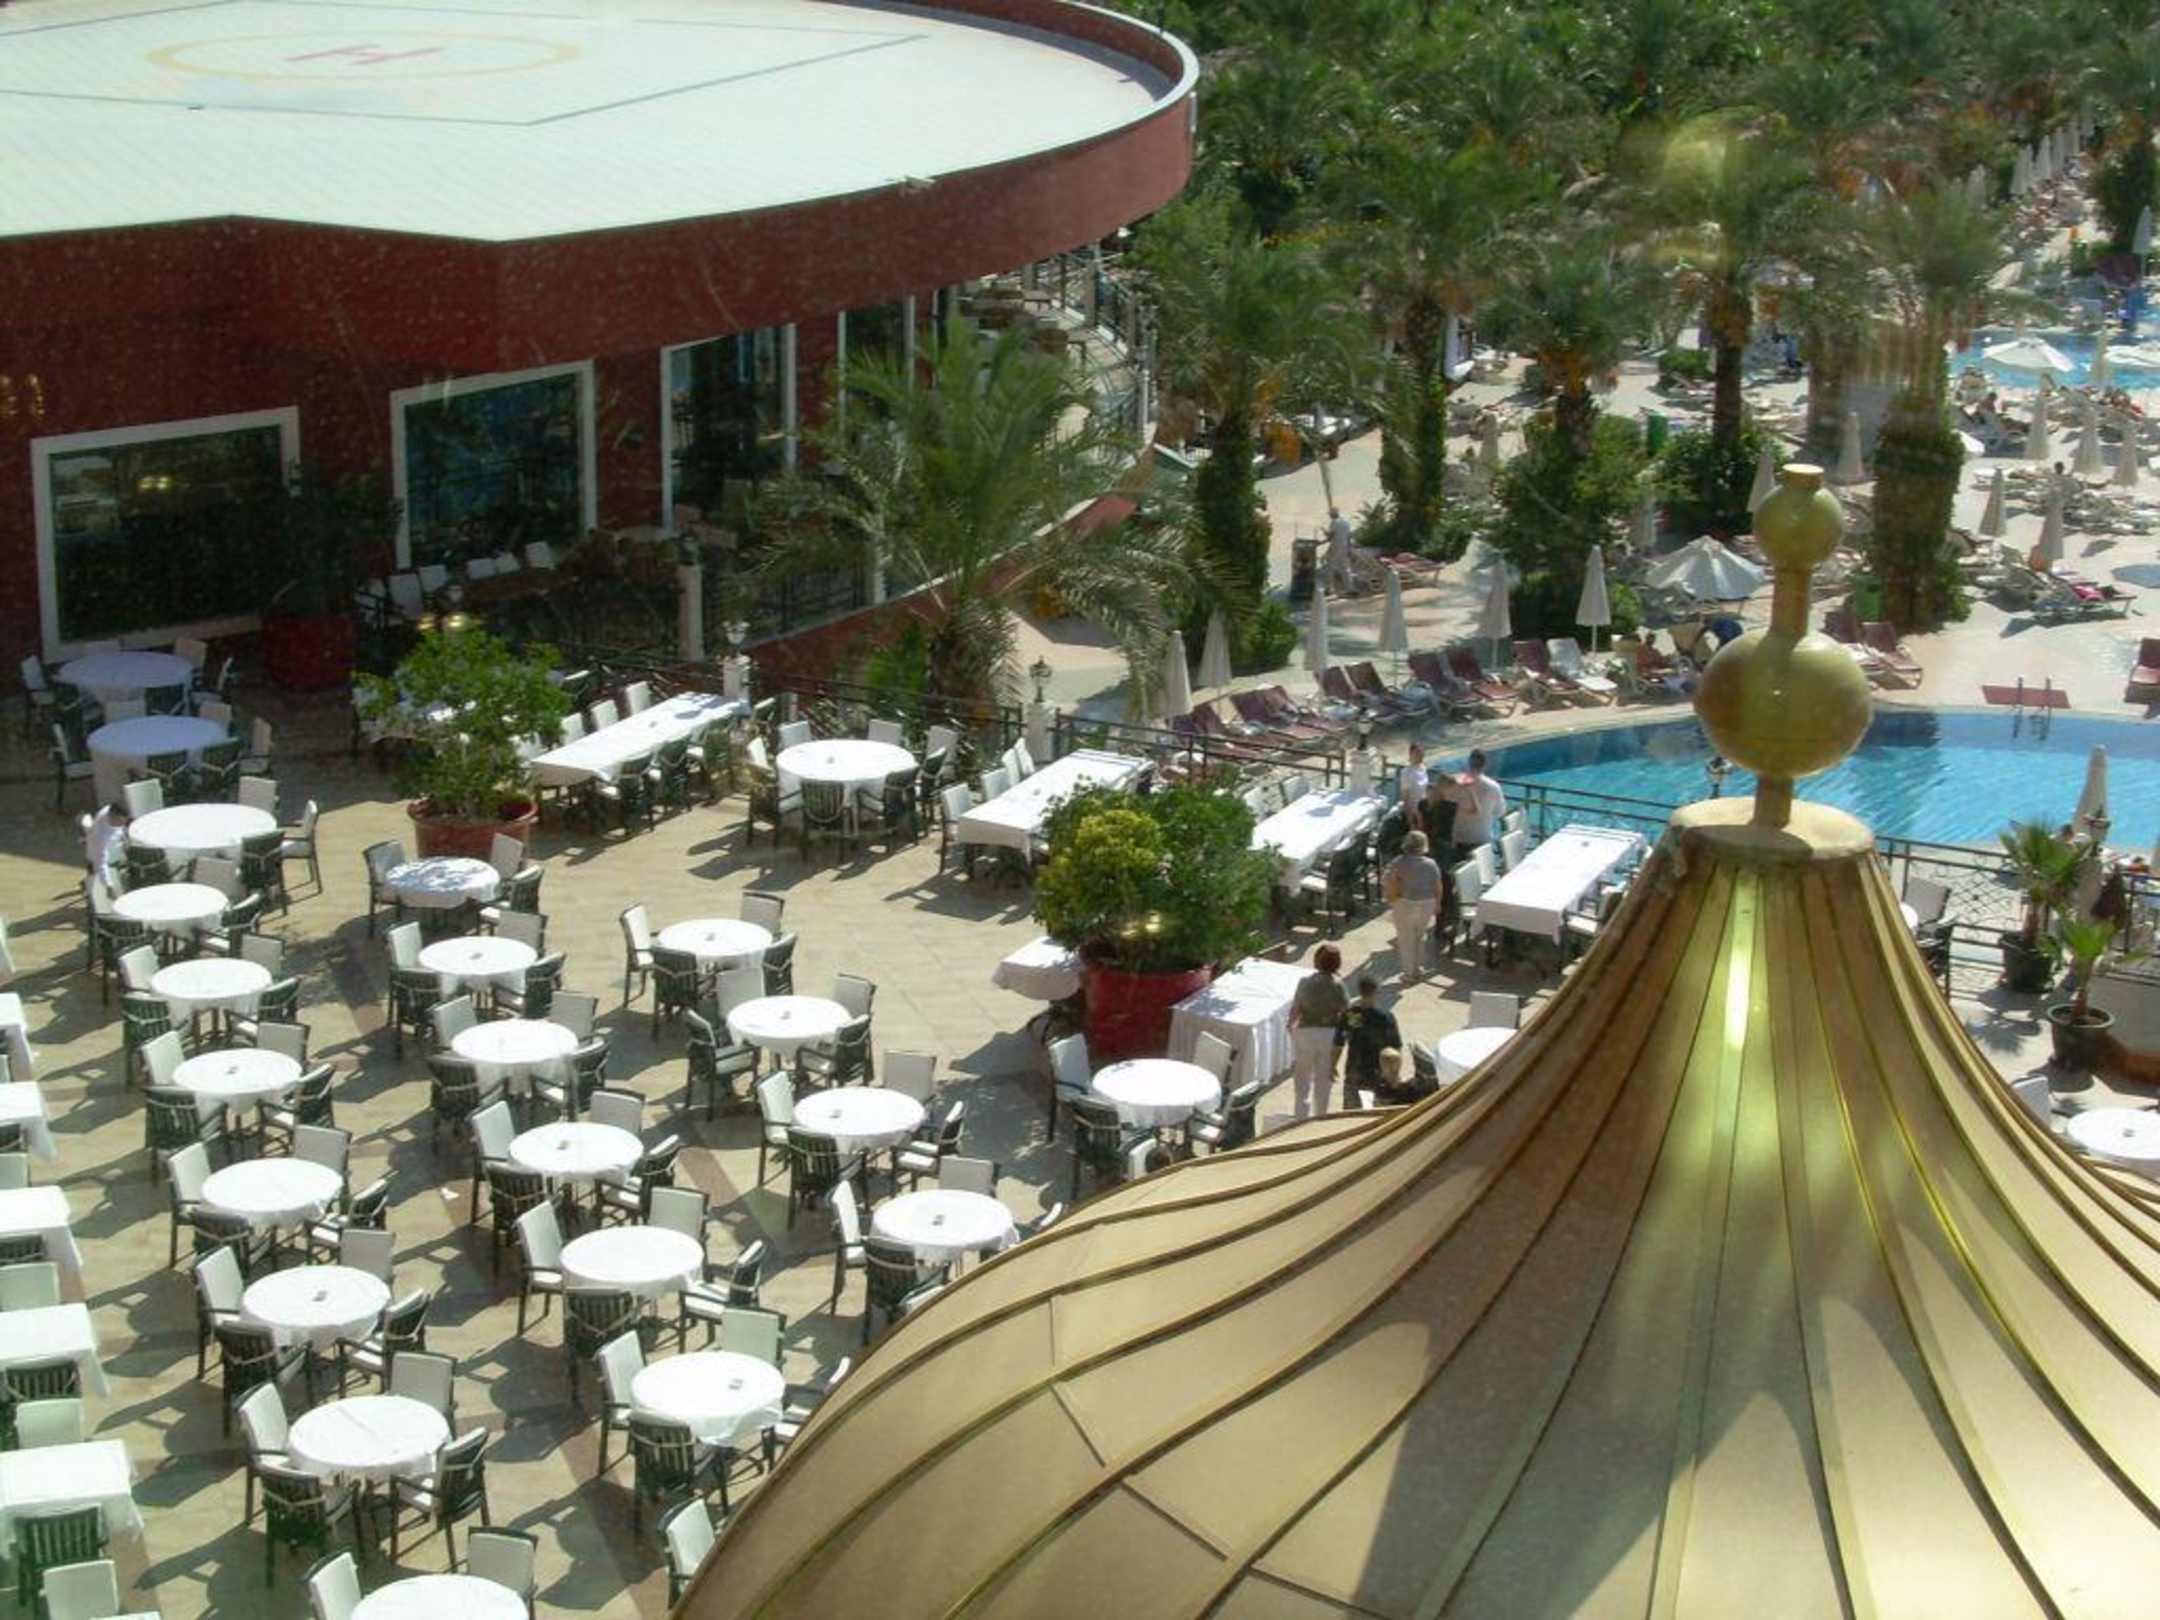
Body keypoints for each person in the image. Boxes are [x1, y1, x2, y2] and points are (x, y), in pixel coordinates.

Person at [1288, 943, 1349, 1119]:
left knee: (1302, 1078)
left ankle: (1300, 1117)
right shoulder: (1338, 985)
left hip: (1306, 1032)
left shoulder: (1305, 982)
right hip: (1329, 1034)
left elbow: (1296, 1009)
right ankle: (1320, 1117)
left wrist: (1291, 1028)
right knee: (1324, 1079)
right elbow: (1346, 1011)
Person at [1382, 830, 1444, 981]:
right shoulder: (1431, 864)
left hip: (1405, 903)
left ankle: (1409, 973)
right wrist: (1438, 903)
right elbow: (1438, 886)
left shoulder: (1398, 863)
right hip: (1427, 903)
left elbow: (1388, 881)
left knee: (1405, 939)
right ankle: (1418, 967)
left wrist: (1391, 899)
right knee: (1419, 936)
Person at [1340, 977, 1403, 1104]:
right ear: (1376, 992)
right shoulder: (1386, 1017)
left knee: (1352, 1108)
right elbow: (1396, 1047)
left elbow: (1339, 1041)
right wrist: (1395, 1073)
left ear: (1360, 991)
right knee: (1380, 1108)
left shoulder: (1352, 1014)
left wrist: (1332, 1064)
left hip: (1355, 1068)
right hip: (1380, 1070)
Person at [1454, 750, 1506, 852]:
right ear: (1485, 765)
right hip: (1482, 839)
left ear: (1469, 763)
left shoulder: (1456, 783)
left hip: (1460, 838)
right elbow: (1500, 812)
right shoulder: (1493, 787)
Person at [1397, 742, 1428, 835]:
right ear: (1411, 754)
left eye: (1422, 753)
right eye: (1418, 753)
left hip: (1423, 810)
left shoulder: (1423, 768)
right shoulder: (1406, 772)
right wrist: (1410, 821)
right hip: (1413, 813)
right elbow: (1405, 797)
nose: (1421, 756)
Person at [1326, 506, 1354, 592]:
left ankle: (1330, 588)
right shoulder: (1346, 522)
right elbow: (1349, 536)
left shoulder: (1334, 522)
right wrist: (1349, 548)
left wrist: (1324, 532)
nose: (1329, 516)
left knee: (1330, 567)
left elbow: (1330, 537)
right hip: (1345, 547)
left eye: (1330, 514)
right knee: (1345, 568)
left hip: (1335, 547)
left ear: (1333, 514)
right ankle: (1350, 588)